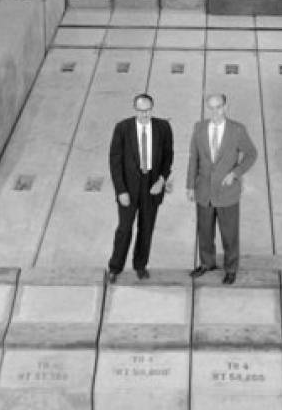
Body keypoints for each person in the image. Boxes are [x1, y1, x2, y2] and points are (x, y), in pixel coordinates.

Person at [187, 93, 258, 284]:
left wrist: (235, 173)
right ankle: (207, 263)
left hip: (227, 192)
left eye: (218, 107)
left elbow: (251, 154)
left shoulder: (237, 130)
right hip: (204, 191)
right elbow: (193, 158)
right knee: (204, 232)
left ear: (226, 107)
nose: (215, 112)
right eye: (211, 108)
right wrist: (190, 186)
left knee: (229, 234)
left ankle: (231, 268)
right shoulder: (199, 128)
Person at [107, 93, 172, 282]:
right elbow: (115, 161)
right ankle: (115, 267)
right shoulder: (122, 128)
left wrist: (161, 180)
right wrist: (121, 190)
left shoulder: (163, 127)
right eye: (141, 111)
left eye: (148, 110)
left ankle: (140, 265)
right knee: (124, 228)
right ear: (135, 110)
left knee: (146, 228)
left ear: (153, 108)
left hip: (152, 186)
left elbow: (168, 156)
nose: (145, 114)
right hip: (128, 187)